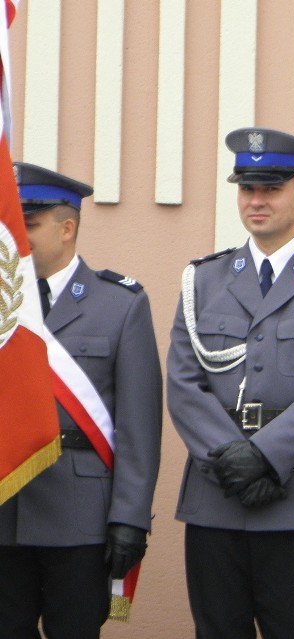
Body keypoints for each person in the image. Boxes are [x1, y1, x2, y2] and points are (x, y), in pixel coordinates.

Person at [166, 127, 294, 639]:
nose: (257, 200)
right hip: (217, 490)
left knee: (290, 628)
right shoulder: (204, 280)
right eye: (247, 188)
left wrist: (264, 456)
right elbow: (184, 383)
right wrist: (228, 456)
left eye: (272, 188)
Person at [0, 163, 162, 638]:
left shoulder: (120, 304)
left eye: (27, 224)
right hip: (6, 505)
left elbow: (139, 426)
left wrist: (130, 518)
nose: (14, 236)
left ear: (66, 228)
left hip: (81, 514)